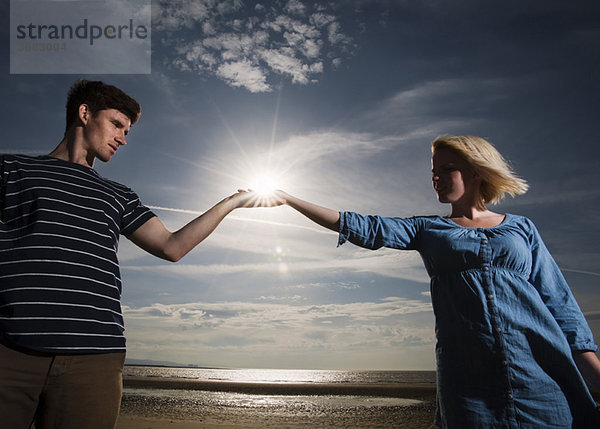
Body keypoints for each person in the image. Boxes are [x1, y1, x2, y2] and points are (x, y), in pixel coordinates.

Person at [269, 135, 600, 428]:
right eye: (433, 172)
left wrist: (594, 371)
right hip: (468, 382)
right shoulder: (428, 229)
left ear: (475, 171)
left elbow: (559, 303)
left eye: (446, 169)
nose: (436, 178)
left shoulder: (522, 228)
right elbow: (368, 227)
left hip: (541, 375)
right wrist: (288, 199)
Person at [0, 79, 264, 428]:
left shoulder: (119, 194)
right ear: (84, 114)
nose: (123, 138)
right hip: (10, 353)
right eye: (117, 125)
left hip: (96, 357)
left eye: (127, 131)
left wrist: (231, 203)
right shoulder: (13, 170)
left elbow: (172, 247)